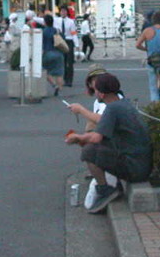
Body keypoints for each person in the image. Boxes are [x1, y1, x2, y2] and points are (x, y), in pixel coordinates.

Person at [65, 73, 151, 214]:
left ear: (102, 93)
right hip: (142, 164)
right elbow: (100, 135)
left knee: (89, 150)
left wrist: (77, 138)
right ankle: (109, 185)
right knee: (95, 145)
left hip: (135, 169)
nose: (95, 92)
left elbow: (96, 139)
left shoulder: (112, 109)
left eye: (96, 90)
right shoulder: (123, 103)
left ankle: (105, 189)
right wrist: (81, 137)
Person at [66, 65, 121, 209]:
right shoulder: (100, 101)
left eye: (101, 79)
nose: (97, 83)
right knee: (87, 139)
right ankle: (100, 175)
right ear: (90, 84)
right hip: (113, 142)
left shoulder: (115, 101)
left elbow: (102, 121)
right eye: (94, 80)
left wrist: (81, 111)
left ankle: (104, 186)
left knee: (89, 149)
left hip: (119, 149)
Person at [41, 14, 66, 96]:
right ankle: (60, 89)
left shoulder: (43, 31)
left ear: (45, 22)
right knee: (59, 73)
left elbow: (42, 44)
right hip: (58, 53)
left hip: (48, 53)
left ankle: (54, 85)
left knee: (44, 71)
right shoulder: (57, 30)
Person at [56, 6, 78, 87]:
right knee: (63, 62)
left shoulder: (71, 22)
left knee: (70, 62)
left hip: (69, 41)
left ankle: (70, 80)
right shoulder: (57, 20)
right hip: (61, 41)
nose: (63, 13)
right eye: (62, 11)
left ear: (67, 12)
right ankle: (64, 79)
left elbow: (74, 33)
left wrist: (77, 44)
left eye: (64, 11)